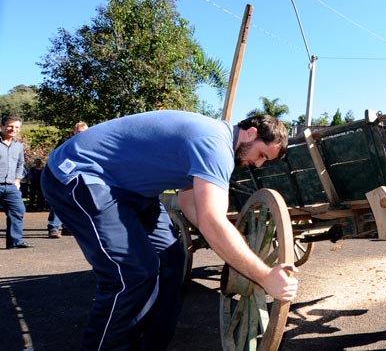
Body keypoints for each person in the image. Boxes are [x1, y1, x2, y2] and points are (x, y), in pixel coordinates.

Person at [40, 110, 298, 351]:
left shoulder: (215, 143)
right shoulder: (215, 145)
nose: (258, 164)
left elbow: (189, 204)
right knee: (133, 274)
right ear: (251, 133)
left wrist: (234, 245)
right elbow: (212, 221)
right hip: (81, 174)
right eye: (262, 155)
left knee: (172, 262)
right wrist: (264, 276)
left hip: (131, 191)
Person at [47, 121, 89, 238]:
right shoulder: (65, 143)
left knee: (75, 202)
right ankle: (53, 227)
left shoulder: (89, 143)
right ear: (74, 131)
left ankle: (68, 228)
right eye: (79, 132)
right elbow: (56, 157)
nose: (82, 134)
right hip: (64, 175)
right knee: (60, 200)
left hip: (80, 176)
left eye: (85, 132)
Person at [1, 114, 34, 249]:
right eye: (10, 126)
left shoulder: (18, 146)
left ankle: (15, 241)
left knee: (18, 210)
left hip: (11, 186)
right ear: (2, 126)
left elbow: (21, 164)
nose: (13, 129)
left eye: (16, 127)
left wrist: (17, 180)